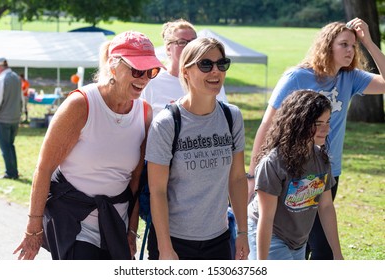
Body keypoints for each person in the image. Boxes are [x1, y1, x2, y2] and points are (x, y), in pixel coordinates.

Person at [13, 31, 165, 260]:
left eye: (151, 71)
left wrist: (131, 231)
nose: (144, 78)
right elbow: (43, 168)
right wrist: (33, 229)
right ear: (113, 67)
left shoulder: (144, 113)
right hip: (75, 223)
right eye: (137, 70)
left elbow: (136, 180)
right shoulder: (81, 104)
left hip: (115, 223)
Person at [247, 18, 385, 260]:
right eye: (344, 44)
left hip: (327, 170)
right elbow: (267, 124)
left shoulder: (350, 77)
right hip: (292, 171)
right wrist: (253, 174)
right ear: (327, 46)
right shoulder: (297, 77)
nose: (351, 51)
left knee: (312, 243)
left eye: (354, 46)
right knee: (308, 243)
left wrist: (370, 42)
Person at [145, 37, 249, 260]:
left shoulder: (232, 117)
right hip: (173, 241)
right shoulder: (166, 123)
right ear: (185, 71)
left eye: (222, 64)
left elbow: (238, 179)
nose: (215, 71)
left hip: (219, 239)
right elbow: (158, 191)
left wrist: (242, 232)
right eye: (205, 64)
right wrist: (164, 248)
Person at [248, 89, 344, 260]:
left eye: (328, 122)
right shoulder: (274, 163)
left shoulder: (321, 159)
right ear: (299, 123)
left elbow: (326, 207)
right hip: (270, 235)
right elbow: (266, 217)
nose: (326, 129)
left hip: (298, 241)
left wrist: (337, 254)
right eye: (318, 123)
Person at [141, 18, 228, 118]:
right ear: (168, 49)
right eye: (182, 42)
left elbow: (222, 117)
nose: (189, 47)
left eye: (193, 41)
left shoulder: (210, 80)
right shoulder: (152, 83)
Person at [0, 57, 22, 180]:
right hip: (15, 118)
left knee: (5, 147)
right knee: (10, 145)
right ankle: (14, 171)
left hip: (3, 119)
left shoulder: (0, 80)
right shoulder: (16, 77)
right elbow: (20, 99)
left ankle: (10, 172)